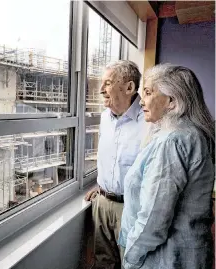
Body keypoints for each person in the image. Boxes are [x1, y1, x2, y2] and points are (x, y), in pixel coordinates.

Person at [119, 64, 215, 269]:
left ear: (171, 101)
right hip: (189, 253)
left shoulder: (171, 141)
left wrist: (131, 258)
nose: (142, 100)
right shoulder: (193, 134)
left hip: (165, 258)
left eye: (148, 92)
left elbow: (153, 218)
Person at [84, 60, 145, 269]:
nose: (101, 90)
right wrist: (102, 186)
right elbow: (110, 158)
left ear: (129, 87)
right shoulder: (104, 118)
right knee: (103, 262)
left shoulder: (149, 121)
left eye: (107, 83)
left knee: (132, 262)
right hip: (102, 202)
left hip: (132, 207)